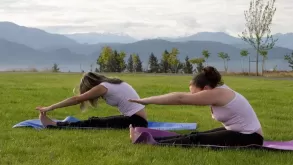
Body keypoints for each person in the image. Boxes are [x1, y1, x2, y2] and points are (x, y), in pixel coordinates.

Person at [129, 66, 263, 147]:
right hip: (239, 132)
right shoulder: (217, 90)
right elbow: (182, 96)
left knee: (197, 139)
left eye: (194, 93)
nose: (192, 96)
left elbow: (179, 98)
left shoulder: (218, 93)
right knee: (196, 135)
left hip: (250, 137)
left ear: (205, 88)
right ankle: (152, 139)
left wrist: (146, 101)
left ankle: (151, 143)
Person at [36, 72, 148, 129]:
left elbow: (76, 99)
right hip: (135, 120)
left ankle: (55, 125)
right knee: (96, 121)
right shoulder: (112, 83)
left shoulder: (103, 87)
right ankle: (56, 124)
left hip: (136, 122)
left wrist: (50, 107)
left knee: (93, 123)